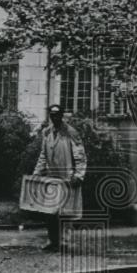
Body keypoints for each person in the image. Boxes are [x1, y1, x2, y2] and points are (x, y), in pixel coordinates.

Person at [32, 104, 87, 251]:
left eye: (57, 114)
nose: (54, 117)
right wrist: (37, 173)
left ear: (61, 115)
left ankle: (65, 243)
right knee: (50, 212)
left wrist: (78, 175)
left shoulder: (71, 132)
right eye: (52, 114)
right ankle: (53, 241)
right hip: (51, 177)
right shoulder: (47, 132)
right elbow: (43, 156)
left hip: (67, 177)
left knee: (67, 213)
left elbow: (80, 156)